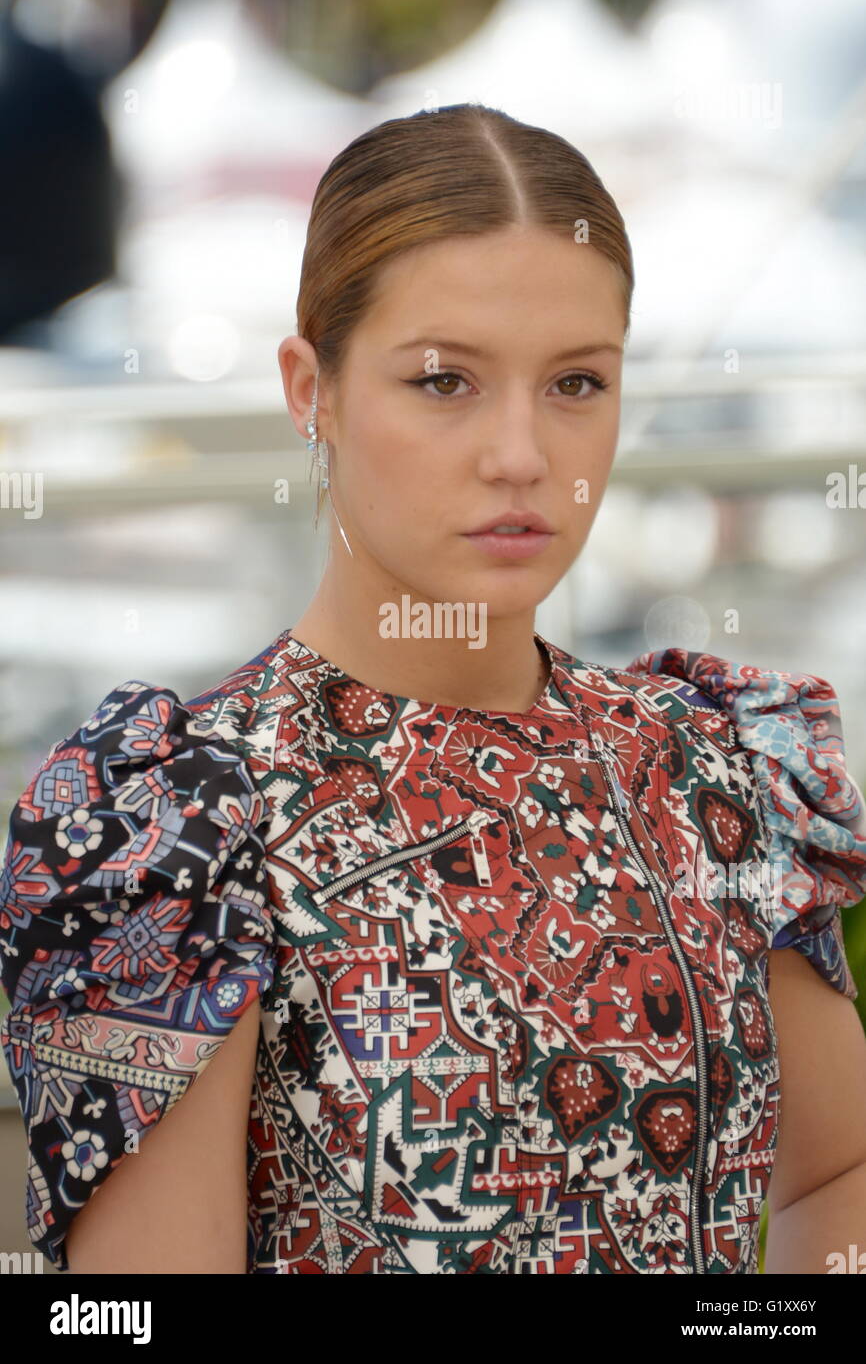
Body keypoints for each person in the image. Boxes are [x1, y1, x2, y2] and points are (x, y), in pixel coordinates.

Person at [3, 103, 866, 1276]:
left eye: (574, 384)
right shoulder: (184, 826)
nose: (520, 454)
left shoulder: (714, 768)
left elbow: (833, 1172)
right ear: (310, 388)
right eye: (444, 380)